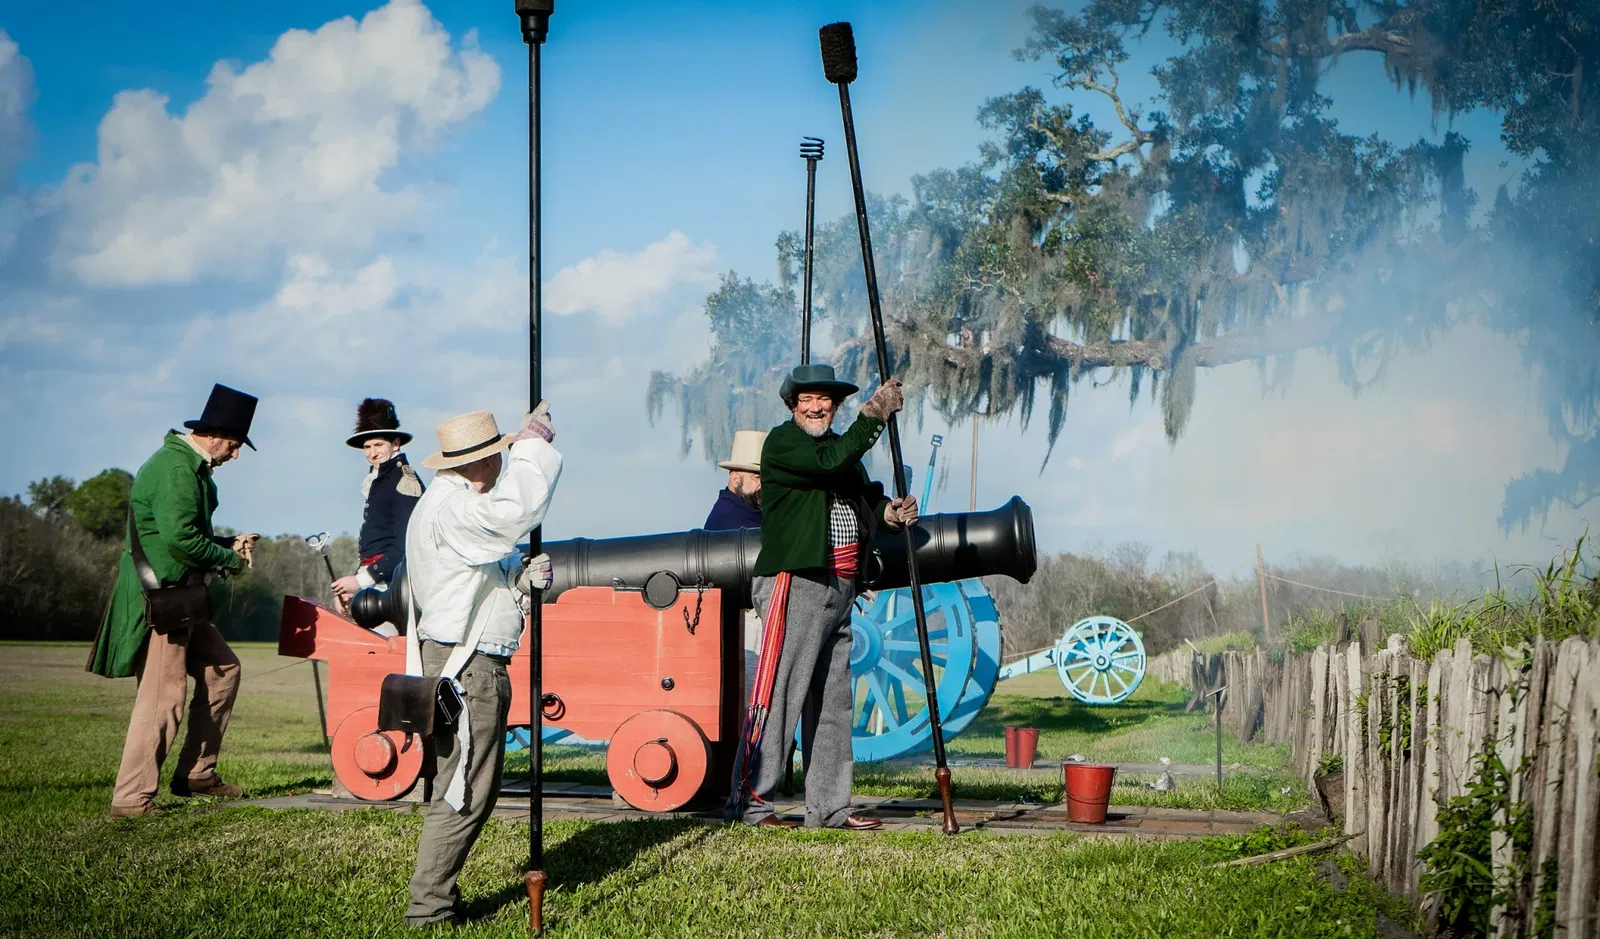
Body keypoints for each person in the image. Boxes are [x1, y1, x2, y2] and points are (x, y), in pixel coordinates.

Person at [727, 363, 918, 830]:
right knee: (780, 691)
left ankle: (830, 807)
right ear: (794, 405)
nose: (817, 407)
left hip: (842, 583)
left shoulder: (838, 448)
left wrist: (890, 512)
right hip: (798, 580)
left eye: (825, 400)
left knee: (833, 702)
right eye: (807, 399)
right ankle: (753, 803)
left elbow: (861, 494)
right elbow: (829, 466)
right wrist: (874, 416)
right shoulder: (786, 443)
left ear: (834, 405)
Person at [403, 405, 561, 928]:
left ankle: (435, 902)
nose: (501, 468)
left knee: (465, 785)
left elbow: (473, 582)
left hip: (462, 661)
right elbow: (516, 512)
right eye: (499, 458)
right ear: (481, 463)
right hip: (469, 667)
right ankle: (429, 910)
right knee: (464, 790)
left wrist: (516, 578)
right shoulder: (453, 507)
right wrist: (533, 448)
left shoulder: (447, 504)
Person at [89, 383, 263, 819]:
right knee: (163, 697)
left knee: (223, 670)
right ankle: (131, 799)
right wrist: (230, 559)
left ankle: (196, 775)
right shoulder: (176, 468)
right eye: (236, 445)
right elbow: (181, 539)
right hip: (162, 601)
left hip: (181, 598)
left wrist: (226, 542)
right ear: (216, 434)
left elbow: (182, 534)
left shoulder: (189, 467)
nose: (236, 455)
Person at [331, 398, 424, 618]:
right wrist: (352, 586)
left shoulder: (404, 481)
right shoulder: (380, 478)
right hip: (377, 580)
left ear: (396, 443)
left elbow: (405, 546)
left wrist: (361, 581)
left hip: (394, 584)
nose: (372, 453)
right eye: (367, 447)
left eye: (379, 445)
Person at [702, 429, 765, 531]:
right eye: (756, 477)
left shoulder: (746, 509)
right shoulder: (729, 520)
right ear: (735, 479)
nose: (762, 484)